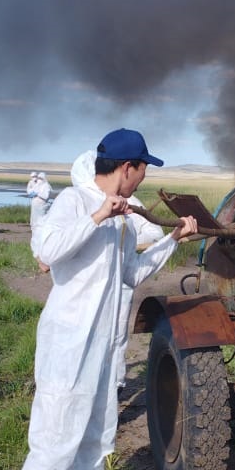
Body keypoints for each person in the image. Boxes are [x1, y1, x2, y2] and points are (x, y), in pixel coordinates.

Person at [12, 128, 198, 470]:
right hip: (68, 349)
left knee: (94, 438)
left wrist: (172, 239)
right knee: (54, 444)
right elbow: (47, 249)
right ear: (126, 167)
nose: (143, 178)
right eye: (143, 169)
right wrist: (98, 215)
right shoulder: (74, 202)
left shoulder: (124, 218)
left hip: (102, 350)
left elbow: (130, 275)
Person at [70, 151, 164, 390]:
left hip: (120, 285)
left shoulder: (128, 204)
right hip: (83, 297)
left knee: (115, 336)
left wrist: (124, 247)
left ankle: (115, 386)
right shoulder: (74, 202)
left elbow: (154, 234)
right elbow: (48, 252)